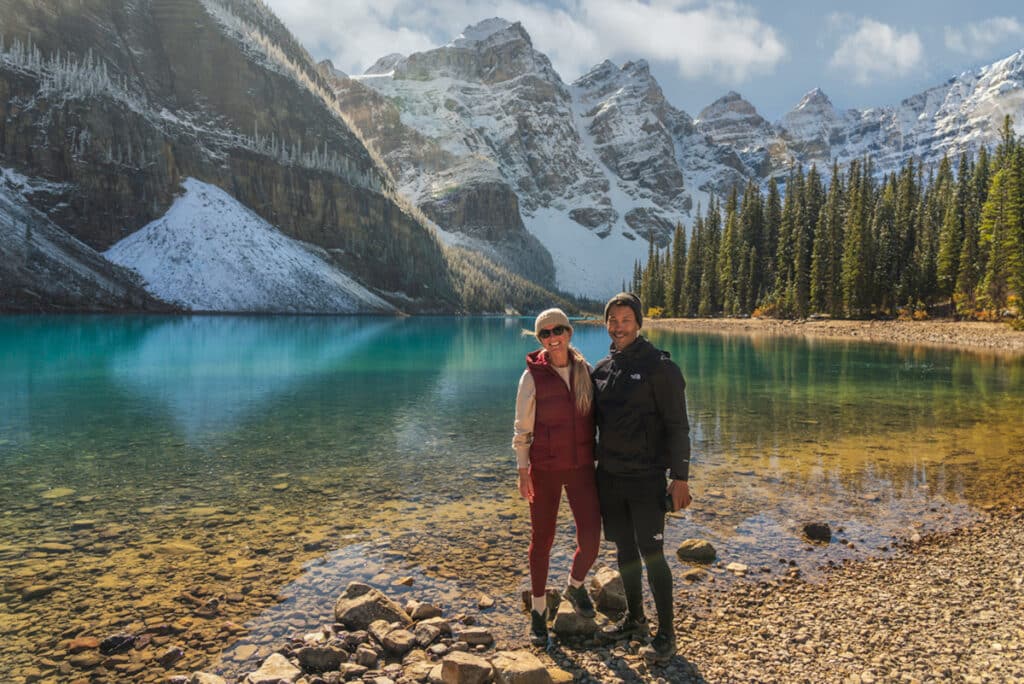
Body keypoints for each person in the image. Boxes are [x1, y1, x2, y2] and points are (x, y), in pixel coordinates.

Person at [591, 292, 692, 664]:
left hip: (647, 479)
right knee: (624, 550)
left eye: (625, 320)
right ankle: (635, 619)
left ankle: (666, 635)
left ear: (638, 324)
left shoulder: (660, 368)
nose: (618, 327)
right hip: (611, 478)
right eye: (613, 321)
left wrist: (680, 478)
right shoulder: (601, 370)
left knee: (652, 554)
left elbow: (678, 426)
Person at [512, 308, 602, 646]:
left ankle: (574, 585)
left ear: (569, 331)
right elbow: (522, 430)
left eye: (558, 330)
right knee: (542, 542)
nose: (553, 338)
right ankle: (538, 611)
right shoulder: (531, 378)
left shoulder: (586, 371)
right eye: (545, 334)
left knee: (591, 539)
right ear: (539, 339)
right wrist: (523, 472)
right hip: (545, 470)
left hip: (581, 469)